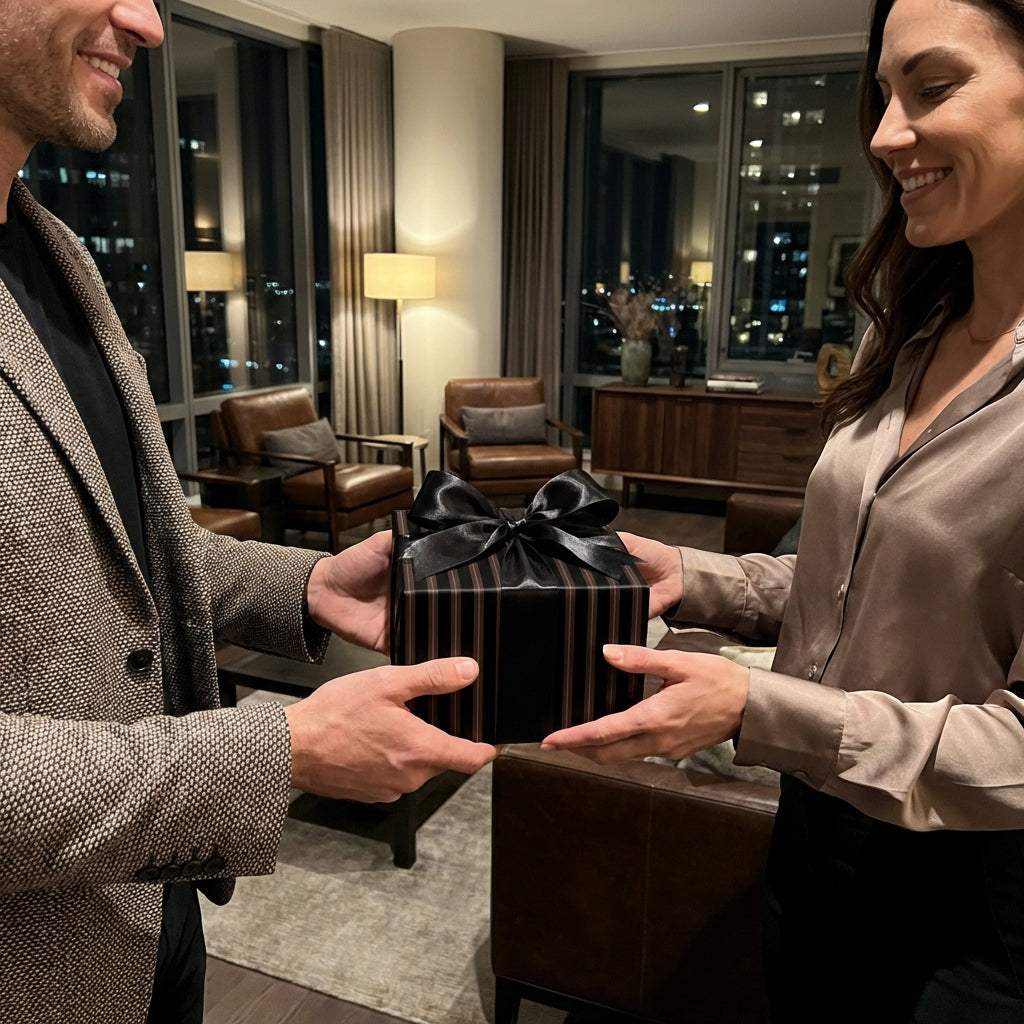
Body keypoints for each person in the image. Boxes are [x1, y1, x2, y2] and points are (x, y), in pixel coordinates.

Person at [0, 3, 495, 1022]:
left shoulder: (58, 257)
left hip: (145, 927)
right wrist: (273, 753)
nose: (144, 21)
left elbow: (123, 557)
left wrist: (307, 582)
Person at [543, 0, 1024, 1020]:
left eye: (931, 89)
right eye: (883, 96)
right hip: (815, 831)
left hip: (973, 900)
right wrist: (694, 575)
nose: (887, 135)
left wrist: (756, 708)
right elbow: (856, 588)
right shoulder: (919, 330)